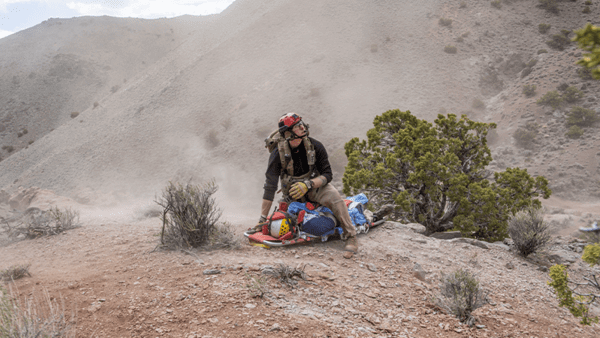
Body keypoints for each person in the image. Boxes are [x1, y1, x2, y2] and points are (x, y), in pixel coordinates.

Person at [258, 112, 358, 258]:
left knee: (335, 197)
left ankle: (351, 236)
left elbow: (327, 174)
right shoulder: (277, 154)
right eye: (297, 126)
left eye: (301, 124)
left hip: (315, 186)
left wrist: (308, 185)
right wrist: (262, 218)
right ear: (288, 134)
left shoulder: (315, 146)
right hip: (292, 193)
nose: (302, 128)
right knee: (284, 222)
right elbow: (270, 186)